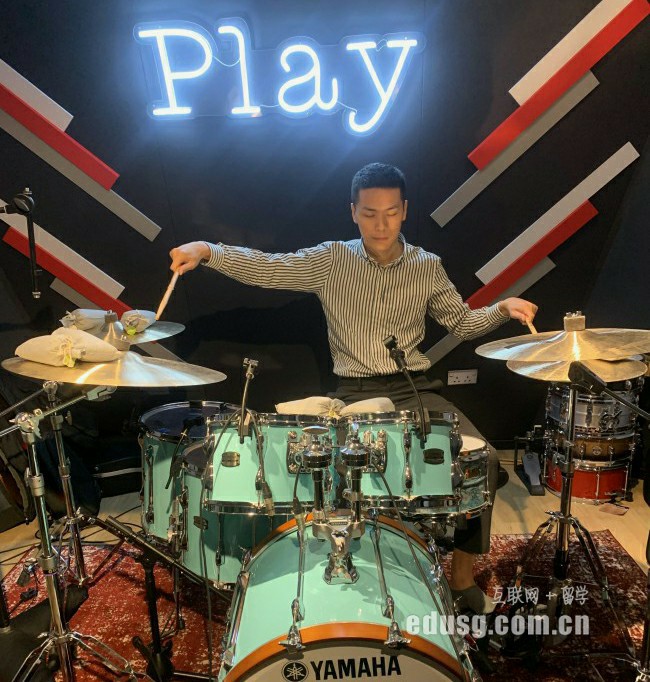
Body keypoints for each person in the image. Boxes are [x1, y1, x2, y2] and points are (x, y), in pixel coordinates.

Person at [169, 162, 537, 614]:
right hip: (353, 392)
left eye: (391, 213)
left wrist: (501, 308)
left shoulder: (427, 266)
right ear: (353, 212)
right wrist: (208, 250)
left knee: (483, 461)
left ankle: (460, 578)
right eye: (369, 214)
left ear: (405, 210)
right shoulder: (332, 260)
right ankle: (359, 566)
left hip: (414, 387)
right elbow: (270, 268)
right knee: (355, 475)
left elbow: (461, 323)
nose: (381, 225)